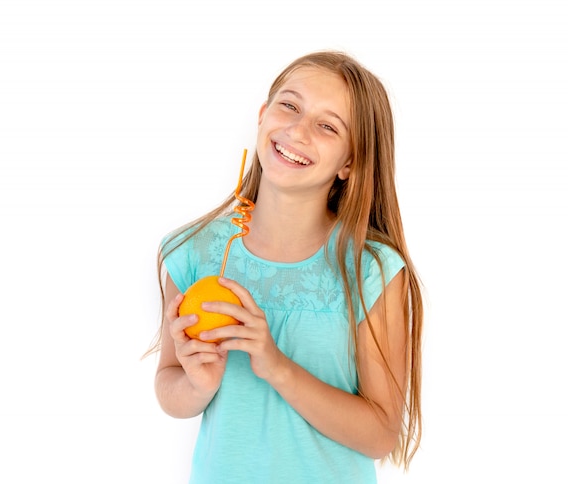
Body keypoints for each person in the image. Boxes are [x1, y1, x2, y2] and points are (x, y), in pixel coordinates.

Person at [147, 50, 423, 483]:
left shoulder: (371, 270)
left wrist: (277, 366)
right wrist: (197, 384)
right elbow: (169, 386)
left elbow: (381, 434)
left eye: (328, 126)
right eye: (289, 105)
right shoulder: (194, 252)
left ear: (350, 162)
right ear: (262, 116)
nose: (297, 130)